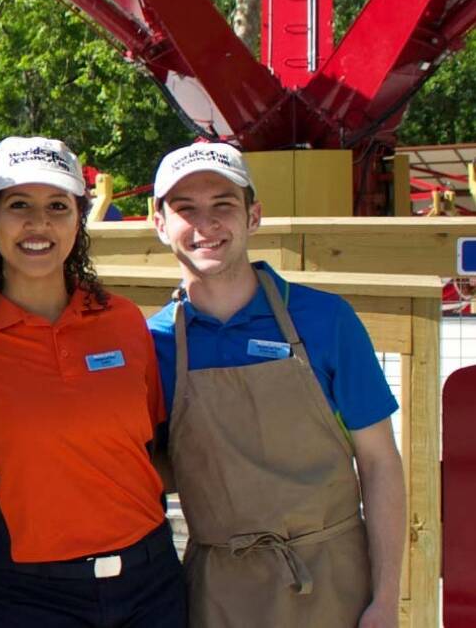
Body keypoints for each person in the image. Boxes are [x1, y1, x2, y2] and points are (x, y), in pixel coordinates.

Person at [146, 142, 405, 627]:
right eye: (186, 209)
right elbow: (150, 473)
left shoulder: (327, 321)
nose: (206, 225)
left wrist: (385, 600)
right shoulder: (153, 346)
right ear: (159, 224)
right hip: (218, 595)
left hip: (334, 584)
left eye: (223, 205)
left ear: (254, 215)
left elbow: (379, 462)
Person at [0, 137, 184, 627]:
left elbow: (155, 449)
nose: (38, 224)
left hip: (150, 581)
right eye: (19, 205)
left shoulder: (124, 321)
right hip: (31, 595)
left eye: (57, 206)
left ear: (78, 219)